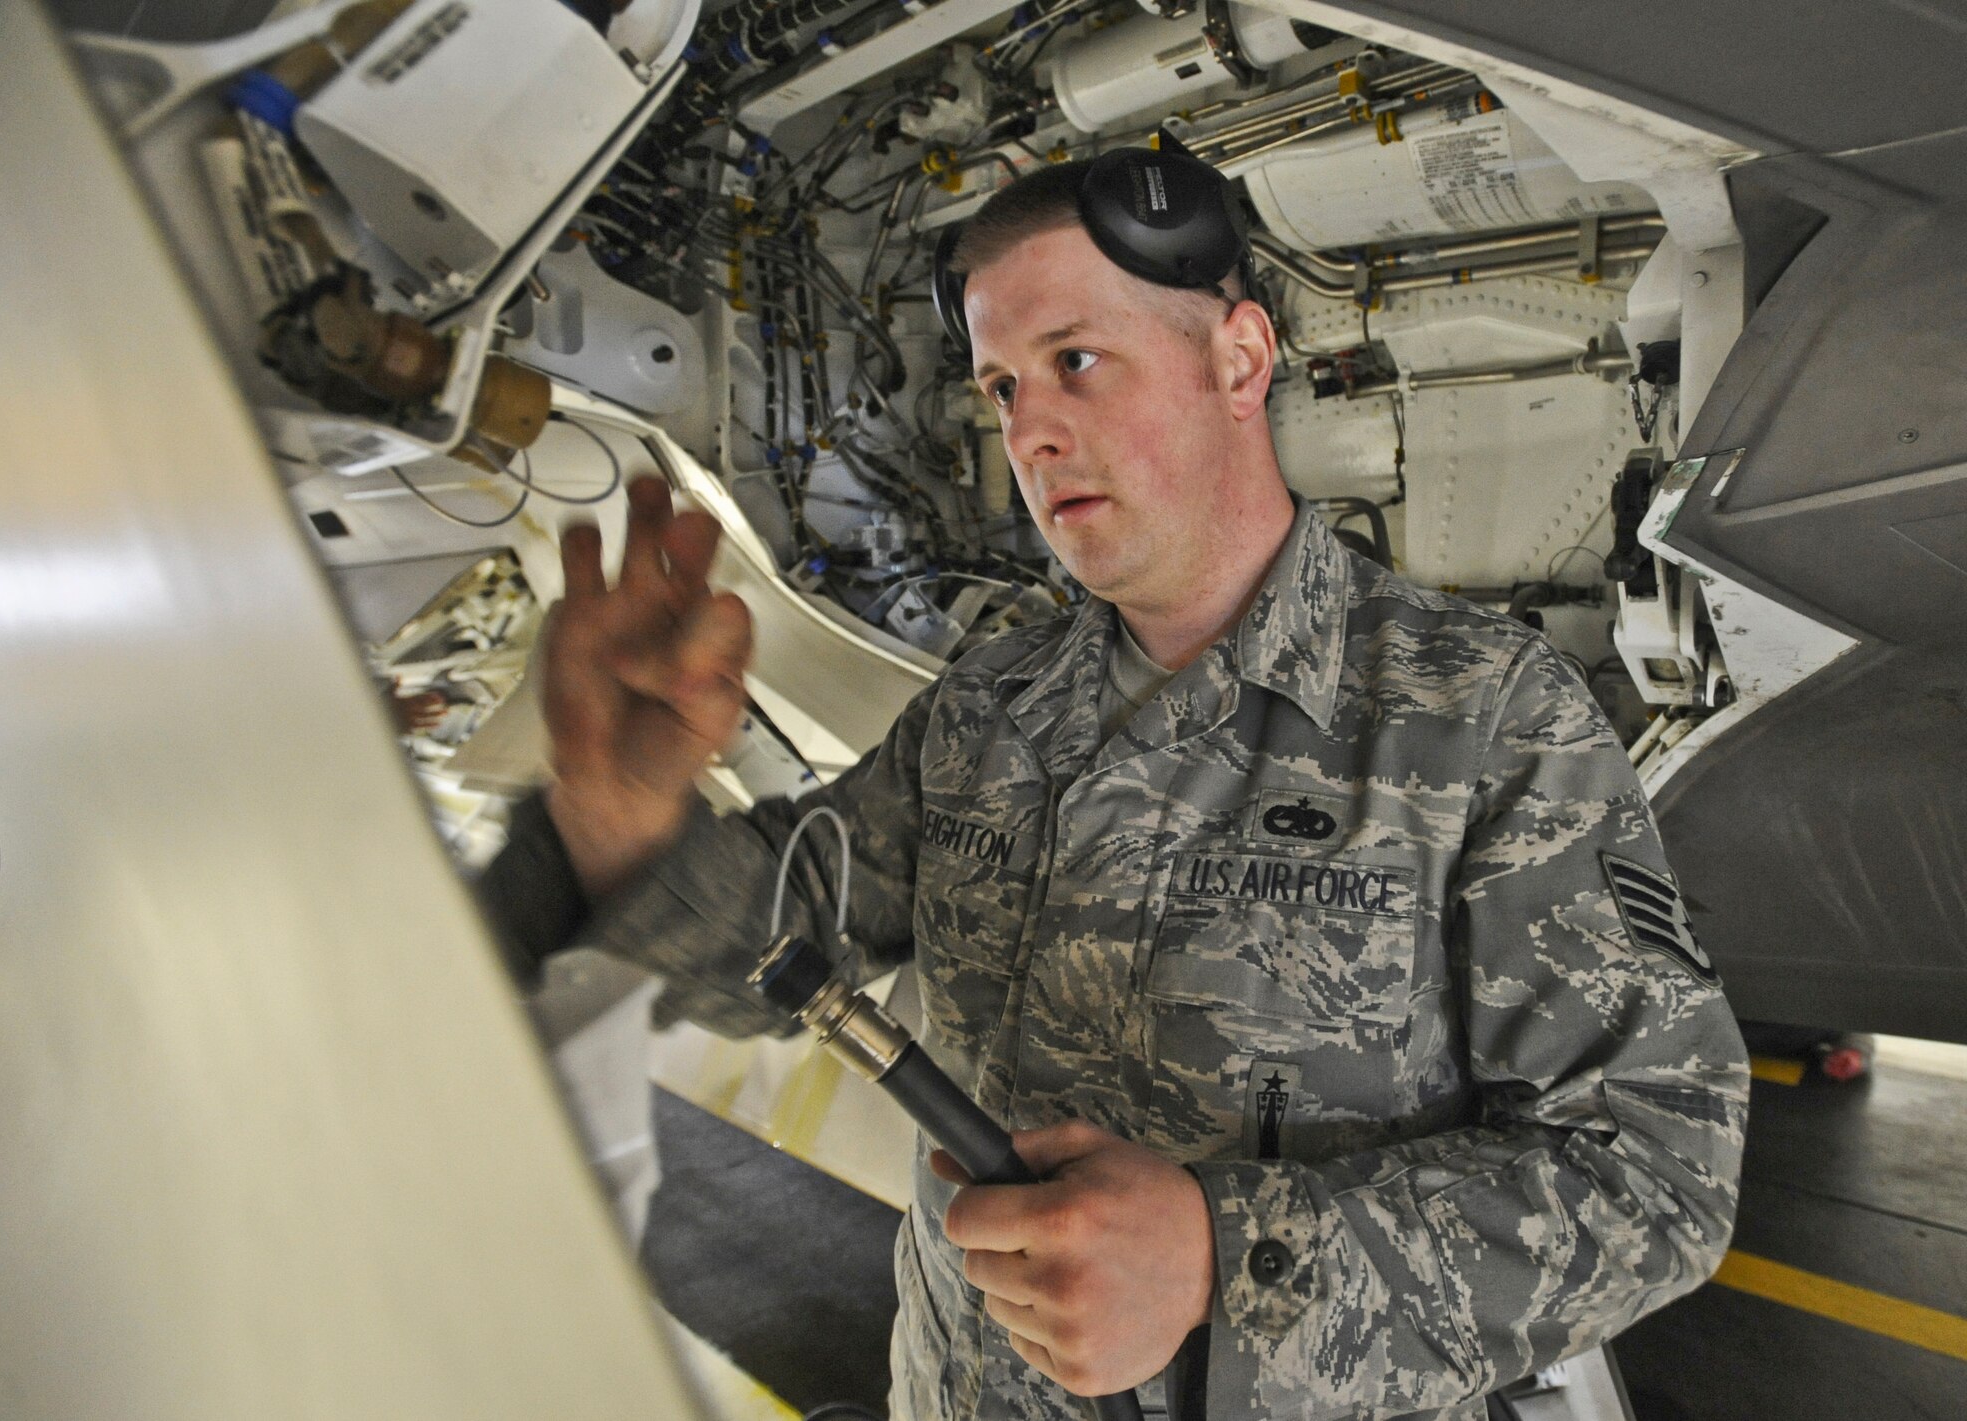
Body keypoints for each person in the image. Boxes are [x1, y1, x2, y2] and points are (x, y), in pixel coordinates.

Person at [480, 155, 1749, 1421]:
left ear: (1237, 361)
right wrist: (615, 809)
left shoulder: (1479, 715)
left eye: (1075, 359)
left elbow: (1654, 1174)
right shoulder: (987, 708)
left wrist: (1225, 1257)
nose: (1028, 431)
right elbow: (782, 939)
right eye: (1001, 385)